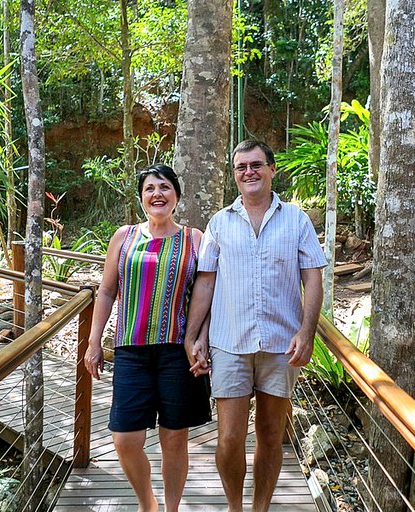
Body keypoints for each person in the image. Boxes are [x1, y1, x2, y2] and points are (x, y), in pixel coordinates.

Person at [184, 140, 326, 512]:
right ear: (234, 175)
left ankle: (260, 508)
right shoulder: (219, 222)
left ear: (272, 169)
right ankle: (235, 506)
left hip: (281, 346)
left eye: (256, 165)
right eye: (241, 167)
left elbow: (313, 279)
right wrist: (193, 335)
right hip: (230, 343)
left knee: (270, 435)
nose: (249, 172)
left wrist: (307, 333)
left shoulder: (296, 219)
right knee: (229, 438)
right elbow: (207, 282)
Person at [84, 163, 211, 512]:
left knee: (174, 438)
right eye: (150, 189)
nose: (158, 194)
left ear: (176, 196)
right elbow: (107, 291)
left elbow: (207, 293)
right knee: (125, 438)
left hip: (176, 350)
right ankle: (147, 503)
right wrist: (95, 341)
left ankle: (170, 509)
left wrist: (201, 339)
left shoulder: (195, 239)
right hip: (130, 349)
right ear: (141, 198)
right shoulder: (123, 237)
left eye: (165, 187)